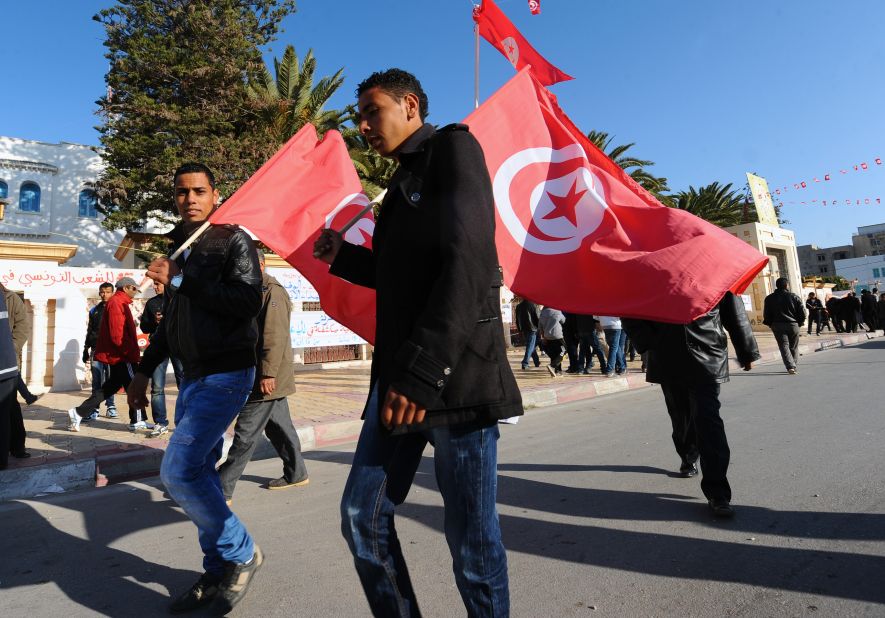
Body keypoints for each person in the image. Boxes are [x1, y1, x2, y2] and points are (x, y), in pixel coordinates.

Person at [313, 68, 522, 617]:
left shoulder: (453, 150)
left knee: (472, 545)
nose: (362, 126)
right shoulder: (400, 183)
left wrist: (423, 371)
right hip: (400, 381)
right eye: (358, 117)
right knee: (362, 516)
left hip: (453, 381)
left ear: (410, 105)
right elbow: (398, 274)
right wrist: (344, 256)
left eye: (370, 112)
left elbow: (470, 264)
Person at [126, 162, 264, 614]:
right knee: (200, 473)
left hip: (226, 372)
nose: (190, 198)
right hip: (190, 374)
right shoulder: (176, 247)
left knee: (179, 472)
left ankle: (242, 552)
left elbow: (244, 303)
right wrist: (145, 371)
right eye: (182, 191)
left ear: (215, 194)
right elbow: (172, 320)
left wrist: (181, 280)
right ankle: (218, 567)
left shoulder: (233, 241)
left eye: (199, 191)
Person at [623, 292, 760, 518]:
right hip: (667, 356)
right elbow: (629, 309)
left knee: (709, 421)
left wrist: (747, 351)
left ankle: (718, 493)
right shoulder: (652, 273)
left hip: (708, 354)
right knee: (681, 416)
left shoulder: (714, 270)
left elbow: (734, 313)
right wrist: (650, 342)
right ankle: (688, 456)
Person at [218, 250, 309, 504]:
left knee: (246, 431)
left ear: (261, 264)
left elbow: (274, 336)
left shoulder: (272, 291)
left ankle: (222, 487)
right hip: (257, 372)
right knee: (280, 427)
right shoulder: (249, 291)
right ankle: (296, 473)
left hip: (267, 376)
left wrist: (268, 373)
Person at [67, 278, 149, 431]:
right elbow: (117, 334)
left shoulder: (119, 302)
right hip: (123, 355)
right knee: (134, 385)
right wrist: (127, 353)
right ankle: (138, 420)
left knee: (109, 388)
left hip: (119, 354)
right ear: (126, 288)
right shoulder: (117, 303)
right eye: (134, 289)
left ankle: (78, 412)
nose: (135, 293)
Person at [138, 280, 183, 437]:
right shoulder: (151, 303)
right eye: (153, 284)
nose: (154, 286)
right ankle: (160, 423)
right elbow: (144, 327)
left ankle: (185, 422)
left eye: (157, 283)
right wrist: (154, 322)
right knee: (157, 387)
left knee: (184, 385)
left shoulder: (180, 298)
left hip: (178, 346)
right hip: (158, 348)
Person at [1, 283, 30, 462]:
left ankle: (17, 447)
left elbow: (22, 329)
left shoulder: (11, 299)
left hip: (9, 363)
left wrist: (8, 350)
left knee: (10, 406)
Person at [83, 282, 118, 419]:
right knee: (96, 380)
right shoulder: (94, 310)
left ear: (112, 293)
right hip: (96, 350)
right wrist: (86, 349)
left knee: (110, 380)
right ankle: (94, 408)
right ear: (99, 293)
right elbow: (90, 330)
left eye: (108, 292)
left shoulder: (116, 308)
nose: (105, 295)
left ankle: (111, 406)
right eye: (102, 292)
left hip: (111, 351)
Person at [762, 278, 806, 375]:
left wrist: (770, 324)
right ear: (787, 285)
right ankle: (793, 365)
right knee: (793, 346)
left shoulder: (769, 298)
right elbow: (802, 312)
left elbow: (766, 314)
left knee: (783, 346)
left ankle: (790, 366)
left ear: (776, 286)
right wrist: (799, 323)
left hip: (777, 325)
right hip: (793, 324)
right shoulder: (794, 297)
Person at [539, 305, 567, 377]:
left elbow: (540, 327)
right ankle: (552, 366)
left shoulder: (542, 313)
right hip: (557, 336)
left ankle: (557, 371)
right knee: (563, 351)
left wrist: (544, 337)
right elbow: (563, 321)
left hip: (547, 337)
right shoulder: (557, 311)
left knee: (555, 354)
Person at [514, 297, 541, 370]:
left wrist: (519, 329)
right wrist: (540, 328)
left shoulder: (519, 306)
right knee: (530, 346)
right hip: (533, 328)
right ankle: (525, 363)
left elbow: (517, 319)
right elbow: (537, 318)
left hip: (524, 328)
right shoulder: (534, 305)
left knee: (531, 345)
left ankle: (536, 361)